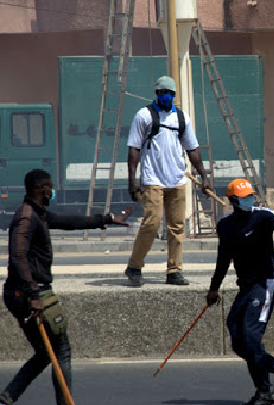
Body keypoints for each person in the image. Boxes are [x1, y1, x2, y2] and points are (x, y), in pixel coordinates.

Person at [0, 169, 131, 405]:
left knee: (45, 353)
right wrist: (33, 294)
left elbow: (69, 221)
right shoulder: (26, 218)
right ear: (43, 190)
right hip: (30, 293)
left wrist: (107, 219)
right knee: (61, 350)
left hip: (29, 291)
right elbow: (18, 254)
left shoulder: (37, 214)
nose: (53, 190)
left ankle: (8, 396)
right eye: (50, 186)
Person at [206, 178, 274, 405]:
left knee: (250, 338)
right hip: (246, 286)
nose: (249, 200)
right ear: (232, 200)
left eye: (250, 196)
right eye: (243, 197)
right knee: (237, 337)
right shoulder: (225, 225)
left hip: (264, 284)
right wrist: (214, 288)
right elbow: (223, 259)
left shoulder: (263, 216)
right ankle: (267, 386)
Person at [124, 75, 209, 287]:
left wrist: (204, 176)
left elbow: (192, 149)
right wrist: (132, 180)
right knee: (151, 223)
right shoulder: (144, 116)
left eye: (169, 94)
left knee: (177, 227)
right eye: (162, 93)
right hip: (152, 178)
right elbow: (134, 149)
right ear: (156, 94)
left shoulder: (181, 118)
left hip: (177, 179)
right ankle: (134, 266)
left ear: (174, 95)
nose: (165, 97)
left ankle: (174, 270)